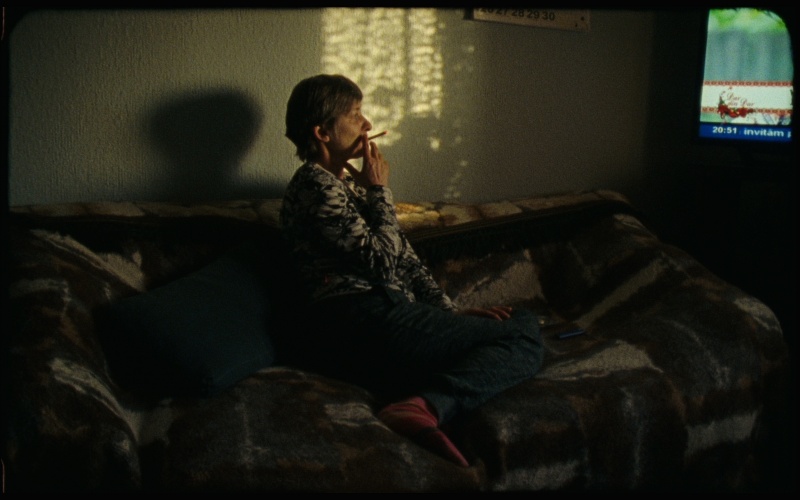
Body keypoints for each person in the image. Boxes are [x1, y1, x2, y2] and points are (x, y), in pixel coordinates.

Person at [279, 74, 544, 467]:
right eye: (355, 115)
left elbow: (405, 259)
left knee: (521, 322)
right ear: (322, 132)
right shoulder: (314, 187)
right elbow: (381, 262)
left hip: (387, 314)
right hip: (356, 319)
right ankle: (426, 407)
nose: (367, 124)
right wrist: (380, 192)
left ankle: (420, 401)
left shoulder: (347, 188)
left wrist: (449, 314)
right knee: (521, 335)